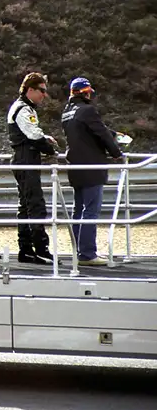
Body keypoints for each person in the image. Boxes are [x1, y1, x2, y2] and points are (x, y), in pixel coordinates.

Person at [61, 77, 124, 267]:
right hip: (91, 167)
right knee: (90, 211)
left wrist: (111, 133)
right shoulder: (88, 110)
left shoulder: (67, 112)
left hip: (75, 167)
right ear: (85, 92)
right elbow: (101, 133)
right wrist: (116, 153)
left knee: (78, 210)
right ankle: (88, 254)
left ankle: (78, 252)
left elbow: (88, 131)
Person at [7, 73, 58, 264]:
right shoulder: (23, 109)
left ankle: (26, 250)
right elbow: (33, 136)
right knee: (35, 205)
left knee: (26, 205)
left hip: (23, 159)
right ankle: (40, 250)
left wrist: (45, 138)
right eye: (42, 91)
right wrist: (50, 149)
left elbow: (34, 134)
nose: (44, 95)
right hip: (25, 159)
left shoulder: (22, 107)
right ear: (30, 89)